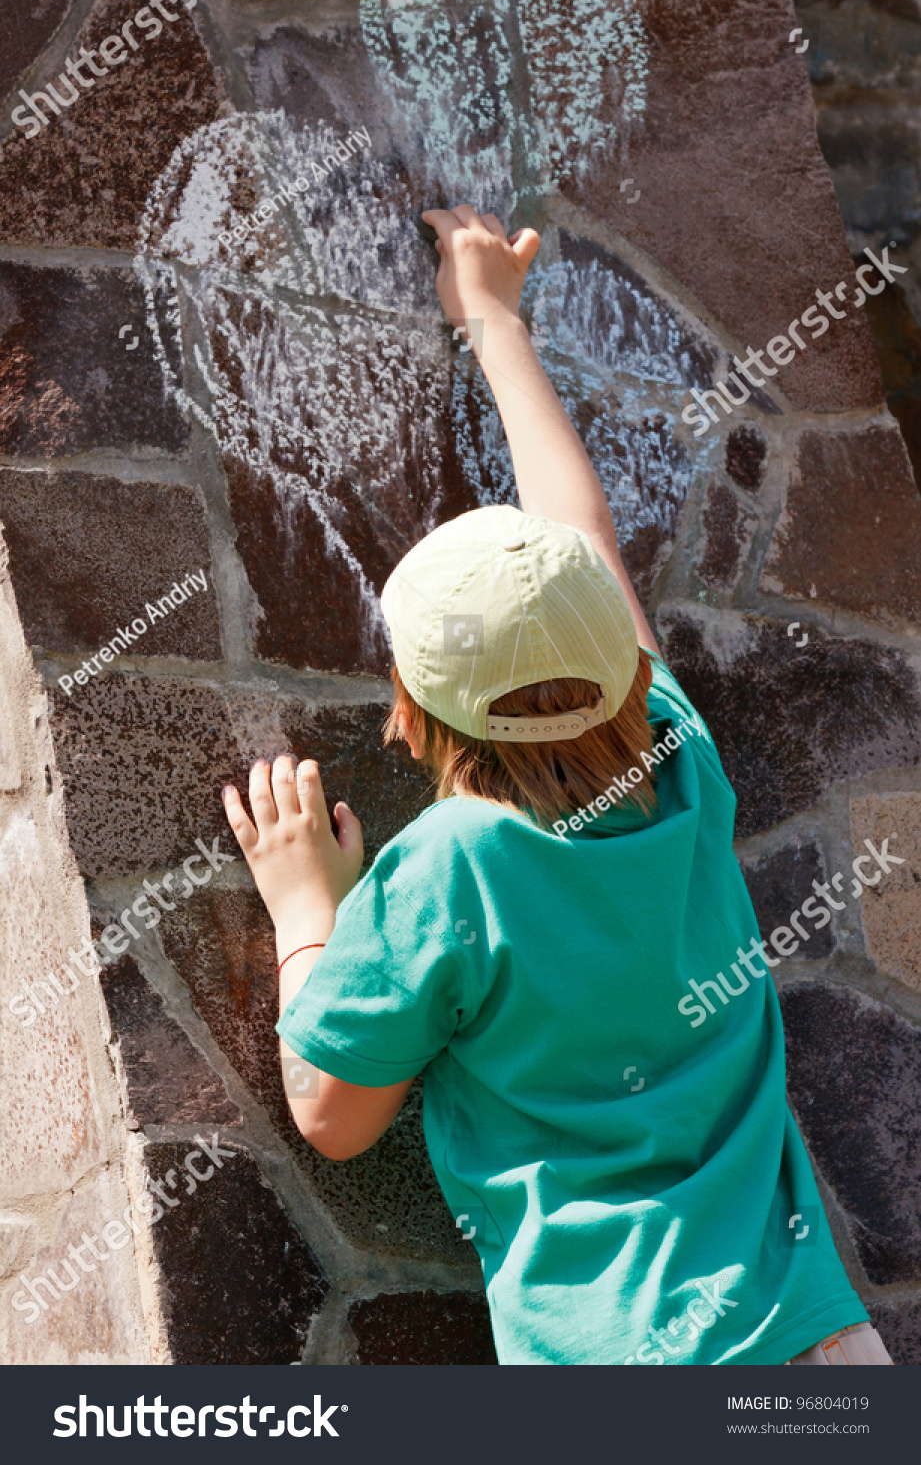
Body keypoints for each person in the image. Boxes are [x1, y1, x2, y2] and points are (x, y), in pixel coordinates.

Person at [221, 205, 890, 1367]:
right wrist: (494, 320)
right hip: (818, 1343)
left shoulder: (448, 870)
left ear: (412, 714)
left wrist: (303, 911)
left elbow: (333, 1111)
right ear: (620, 669)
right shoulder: (676, 753)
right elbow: (576, 533)